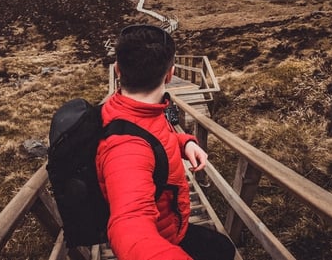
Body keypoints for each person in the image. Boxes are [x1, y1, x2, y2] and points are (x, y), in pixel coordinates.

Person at [96, 24, 236, 260]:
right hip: (161, 237)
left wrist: (184, 143)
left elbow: (153, 136)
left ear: (118, 70)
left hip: (170, 225)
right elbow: (129, 226)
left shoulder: (139, 110)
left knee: (223, 249)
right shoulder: (125, 148)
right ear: (170, 74)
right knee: (223, 251)